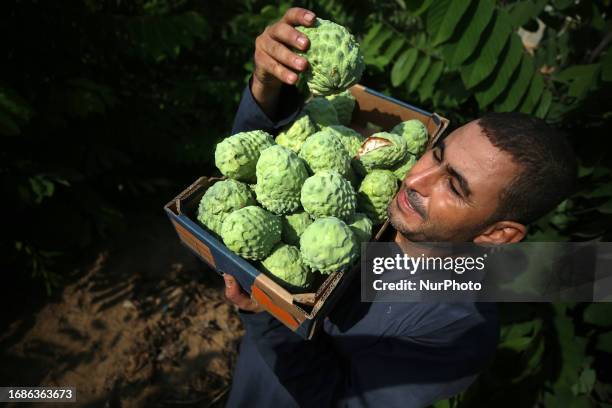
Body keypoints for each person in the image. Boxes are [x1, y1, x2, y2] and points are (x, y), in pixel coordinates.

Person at [222, 7, 577, 408]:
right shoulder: (383, 186)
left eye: (455, 187)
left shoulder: (457, 331)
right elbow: (261, 176)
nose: (416, 180)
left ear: (498, 234)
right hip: (253, 384)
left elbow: (342, 401)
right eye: (436, 154)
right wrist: (267, 84)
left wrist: (267, 317)